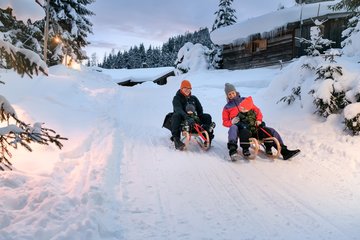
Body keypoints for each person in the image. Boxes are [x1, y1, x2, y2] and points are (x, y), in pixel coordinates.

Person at [222, 83, 300, 160]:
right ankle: (233, 150)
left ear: (236, 92)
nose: (232, 95)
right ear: (227, 96)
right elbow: (225, 122)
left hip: (253, 126)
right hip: (241, 130)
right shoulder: (227, 108)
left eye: (233, 93)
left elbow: (257, 111)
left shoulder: (245, 100)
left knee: (271, 130)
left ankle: (284, 151)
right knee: (233, 127)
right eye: (229, 94)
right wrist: (232, 122)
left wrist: (259, 120)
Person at [170, 79, 215, 150]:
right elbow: (178, 109)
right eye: (185, 88)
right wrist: (186, 117)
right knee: (175, 115)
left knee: (207, 116)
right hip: (182, 119)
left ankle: (207, 137)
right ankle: (177, 140)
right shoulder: (177, 98)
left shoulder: (193, 98)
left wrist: (198, 117)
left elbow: (200, 110)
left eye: (189, 89)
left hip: (193, 118)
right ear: (181, 88)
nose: (187, 90)